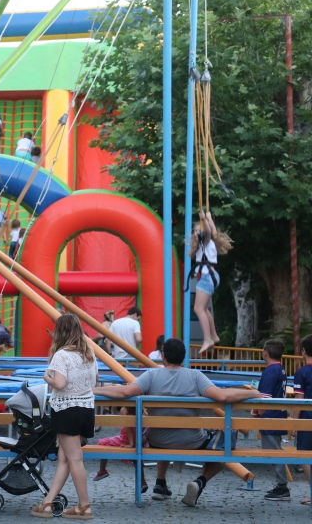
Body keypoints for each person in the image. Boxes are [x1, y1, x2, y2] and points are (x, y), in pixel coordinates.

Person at [94, 338, 262, 508]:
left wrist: (94, 390)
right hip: (192, 442)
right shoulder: (195, 376)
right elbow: (223, 396)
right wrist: (252, 394)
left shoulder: (151, 375)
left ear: (163, 356)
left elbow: (124, 392)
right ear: (183, 358)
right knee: (226, 442)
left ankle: (160, 483)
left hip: (157, 441)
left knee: (165, 429)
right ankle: (200, 482)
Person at [31, 314, 97, 519]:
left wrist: (45, 375)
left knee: (75, 459)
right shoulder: (89, 352)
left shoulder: (62, 354)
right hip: (86, 408)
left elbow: (59, 384)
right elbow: (95, 379)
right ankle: (48, 502)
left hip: (67, 409)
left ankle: (84, 506)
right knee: (65, 459)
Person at [190, 210, 232, 354]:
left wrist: (205, 220)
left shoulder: (207, 241)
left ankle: (207, 338)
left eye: (198, 230)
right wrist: (207, 219)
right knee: (204, 308)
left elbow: (209, 232)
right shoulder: (204, 244)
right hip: (209, 277)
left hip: (208, 277)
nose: (196, 233)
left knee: (198, 309)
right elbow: (212, 231)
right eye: (195, 231)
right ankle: (213, 335)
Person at [254, 339, 289, 501]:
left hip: (270, 416)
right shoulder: (281, 369)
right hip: (278, 414)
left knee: (273, 451)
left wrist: (257, 411)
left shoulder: (270, 371)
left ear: (265, 353)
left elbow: (265, 397)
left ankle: (282, 486)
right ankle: (281, 485)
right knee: (275, 449)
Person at [93, 406, 148, 493]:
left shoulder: (124, 410)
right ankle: (142, 481)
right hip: (139, 440)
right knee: (136, 458)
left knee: (104, 443)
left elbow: (127, 428)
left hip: (127, 440)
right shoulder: (142, 409)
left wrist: (131, 444)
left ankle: (102, 470)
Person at [293, 335, 312, 505]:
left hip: (307, 419)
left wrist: (294, 421)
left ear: (303, 351)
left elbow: (299, 398)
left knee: (304, 454)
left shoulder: (302, 372)